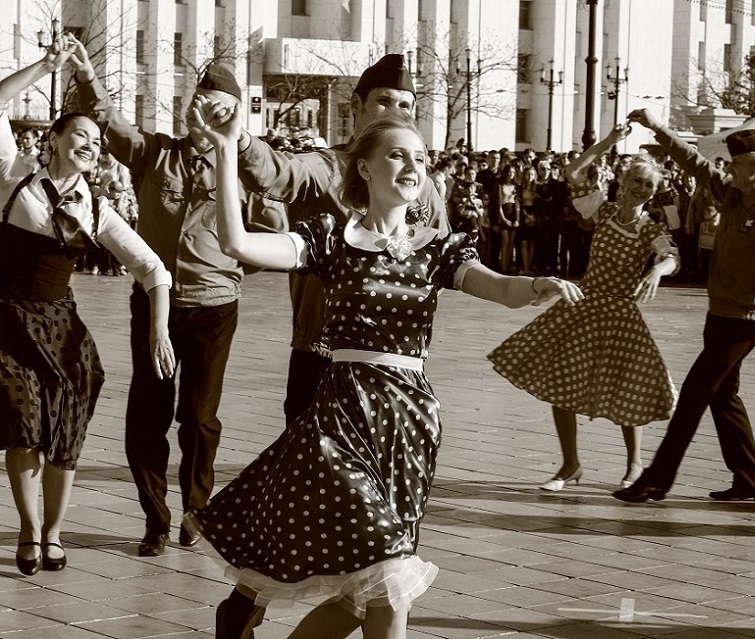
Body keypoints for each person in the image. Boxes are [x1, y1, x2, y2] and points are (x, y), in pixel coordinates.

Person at [187, 107, 584, 639]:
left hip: (410, 422)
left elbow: (500, 287)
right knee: (391, 574)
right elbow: (238, 244)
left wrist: (539, 285)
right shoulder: (332, 238)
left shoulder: (438, 248)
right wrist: (226, 148)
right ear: (365, 169)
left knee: (363, 597)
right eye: (396, 154)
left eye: (419, 157)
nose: (411, 165)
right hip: (342, 417)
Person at [69, 36, 284, 556]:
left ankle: (196, 509)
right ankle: (155, 520)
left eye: (213, 105)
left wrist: (230, 270)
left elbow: (273, 233)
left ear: (230, 114)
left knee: (199, 416)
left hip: (214, 309)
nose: (198, 111)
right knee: (148, 413)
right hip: (154, 305)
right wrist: (84, 76)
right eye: (194, 100)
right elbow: (110, 120)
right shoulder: (154, 155)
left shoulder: (241, 172)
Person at [0, 41, 174, 575]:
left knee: (66, 430)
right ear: (52, 138)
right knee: (24, 423)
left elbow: (154, 270)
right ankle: (29, 532)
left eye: (98, 141)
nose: (92, 146)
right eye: (81, 134)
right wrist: (46, 68)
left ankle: (54, 533)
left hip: (61, 328)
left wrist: (158, 331)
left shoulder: (97, 207)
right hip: (8, 319)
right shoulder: (12, 177)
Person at [222, 53, 449, 429]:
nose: (396, 112)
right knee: (309, 474)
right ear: (356, 107)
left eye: (406, 105)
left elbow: (444, 259)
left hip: (392, 361)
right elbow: (276, 172)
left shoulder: (420, 186)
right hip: (324, 353)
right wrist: (241, 140)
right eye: (383, 101)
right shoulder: (328, 168)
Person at [614, 111, 755, 504]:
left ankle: (656, 479)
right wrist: (657, 128)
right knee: (723, 397)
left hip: (745, 321)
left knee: (693, 394)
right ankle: (752, 480)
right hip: (721, 314)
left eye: (735, 165)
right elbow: (695, 162)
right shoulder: (733, 193)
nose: (728, 169)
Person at [488, 125, 679, 491]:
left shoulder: (648, 228)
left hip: (621, 315)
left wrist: (659, 268)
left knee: (629, 389)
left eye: (649, 186)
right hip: (584, 306)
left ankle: (635, 466)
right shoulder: (604, 212)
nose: (641, 190)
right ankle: (570, 465)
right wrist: (608, 142)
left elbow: (670, 254)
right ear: (624, 182)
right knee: (562, 383)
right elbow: (573, 173)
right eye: (637, 181)